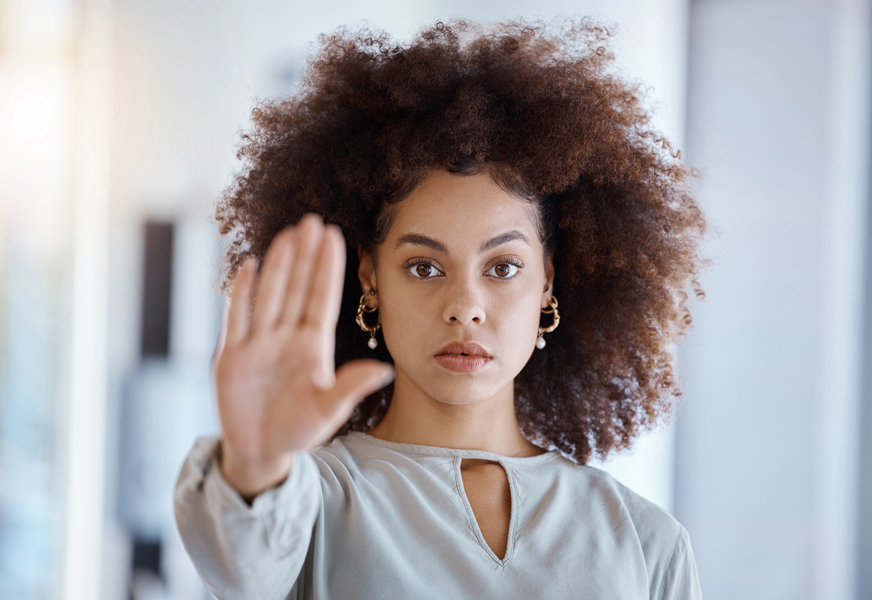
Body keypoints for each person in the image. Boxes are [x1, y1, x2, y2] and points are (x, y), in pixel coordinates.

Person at [174, 17, 707, 600]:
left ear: (548, 282)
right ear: (370, 279)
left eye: (503, 267)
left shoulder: (647, 543)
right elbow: (240, 561)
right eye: (424, 267)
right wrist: (255, 462)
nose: (465, 307)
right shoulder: (306, 503)